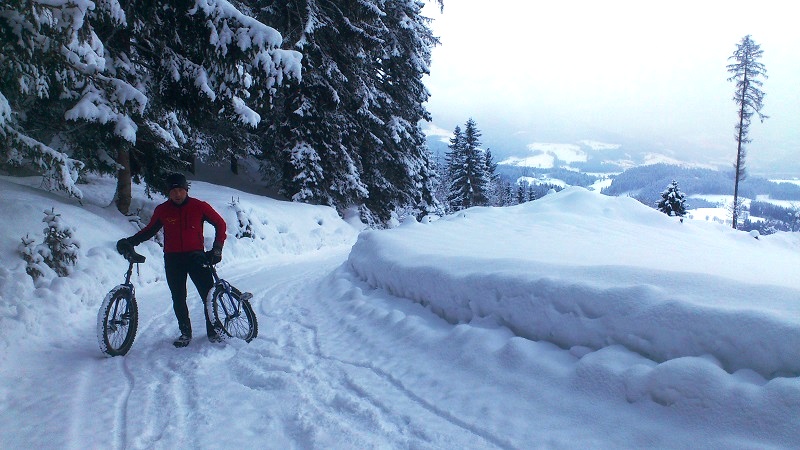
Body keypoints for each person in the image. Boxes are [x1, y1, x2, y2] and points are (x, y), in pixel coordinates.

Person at [116, 173, 227, 348]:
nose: (177, 194)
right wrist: (131, 241)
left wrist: (217, 248)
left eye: (180, 190)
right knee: (178, 298)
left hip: (197, 257)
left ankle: (213, 330)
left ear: (186, 190)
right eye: (173, 191)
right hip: (173, 259)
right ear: (168, 192)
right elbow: (149, 230)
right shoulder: (163, 210)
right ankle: (185, 332)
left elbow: (220, 224)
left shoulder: (199, 206)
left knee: (208, 295)